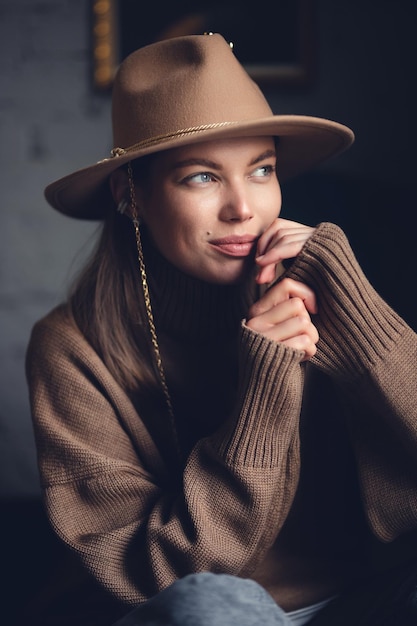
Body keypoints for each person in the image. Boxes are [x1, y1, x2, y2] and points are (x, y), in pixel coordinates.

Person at [25, 33, 417, 626]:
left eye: (262, 169)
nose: (243, 208)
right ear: (130, 195)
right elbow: (152, 576)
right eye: (202, 177)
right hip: (207, 612)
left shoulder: (319, 293)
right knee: (213, 604)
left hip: (361, 603)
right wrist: (262, 395)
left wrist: (360, 314)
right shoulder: (72, 348)